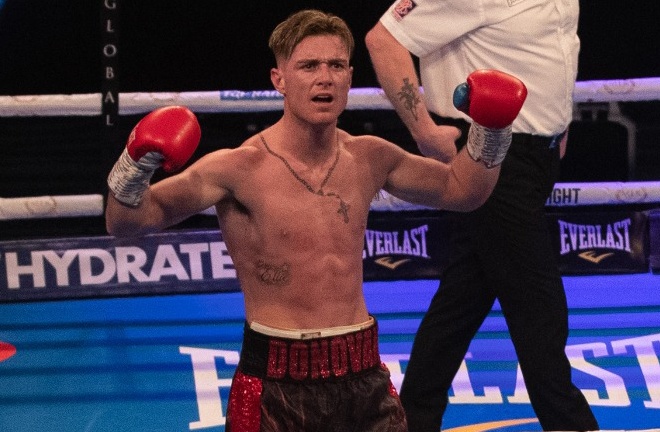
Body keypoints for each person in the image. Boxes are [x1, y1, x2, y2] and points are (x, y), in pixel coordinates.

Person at [105, 9, 526, 432]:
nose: (324, 77)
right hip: (276, 383)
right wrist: (135, 166)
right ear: (279, 79)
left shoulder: (369, 157)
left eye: (336, 65)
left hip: (363, 373)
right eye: (308, 66)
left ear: (348, 76)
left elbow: (464, 191)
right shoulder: (237, 169)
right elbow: (126, 222)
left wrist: (493, 131)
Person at [365, 1, 600, 431]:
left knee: (461, 303)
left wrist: (556, 124)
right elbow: (384, 39)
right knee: (540, 312)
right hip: (493, 159)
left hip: (535, 159)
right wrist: (423, 131)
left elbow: (556, 46)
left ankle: (410, 419)